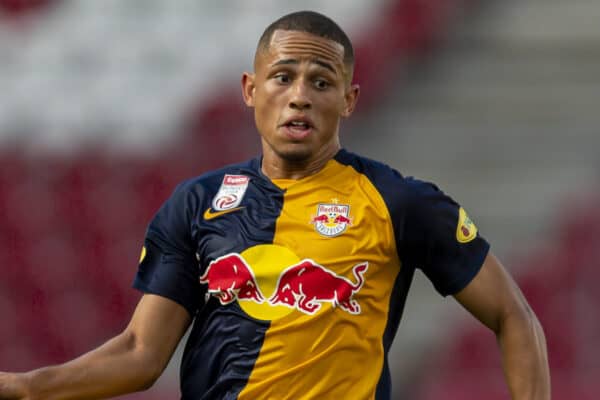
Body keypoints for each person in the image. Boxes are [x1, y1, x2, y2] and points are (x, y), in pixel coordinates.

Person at [0, 10, 550, 400]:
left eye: (321, 81)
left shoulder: (398, 202)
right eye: (282, 77)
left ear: (349, 99)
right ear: (249, 88)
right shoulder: (197, 204)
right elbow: (140, 354)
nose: (300, 96)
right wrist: (27, 387)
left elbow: (513, 315)